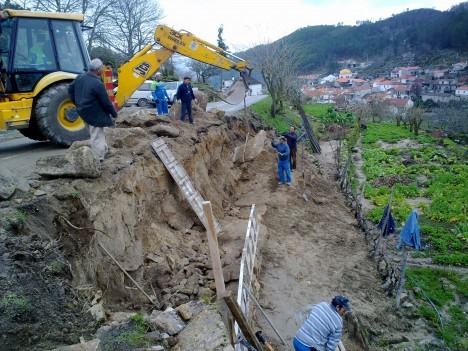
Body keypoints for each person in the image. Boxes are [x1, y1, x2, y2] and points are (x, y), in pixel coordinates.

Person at [68, 58, 118, 162]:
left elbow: (70, 90)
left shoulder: (79, 78)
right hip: (95, 114)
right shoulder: (97, 83)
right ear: (98, 69)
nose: (103, 69)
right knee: (96, 137)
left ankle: (105, 151)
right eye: (102, 67)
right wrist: (114, 113)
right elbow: (106, 102)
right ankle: (98, 159)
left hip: (83, 111)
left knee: (97, 134)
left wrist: (76, 102)